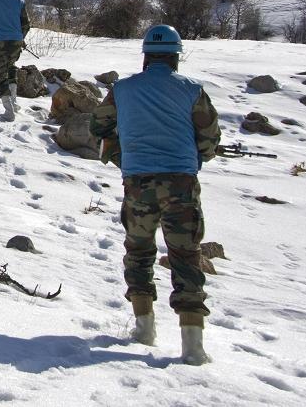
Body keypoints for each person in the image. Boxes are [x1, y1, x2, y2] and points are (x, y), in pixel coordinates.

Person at [89, 25, 221, 366]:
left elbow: (99, 126)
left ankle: (144, 328)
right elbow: (209, 138)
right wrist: (196, 159)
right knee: (186, 256)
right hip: (181, 184)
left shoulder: (122, 89)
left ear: (146, 56)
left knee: (139, 252)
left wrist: (121, 153)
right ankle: (193, 346)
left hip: (137, 182)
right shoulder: (192, 90)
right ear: (176, 56)